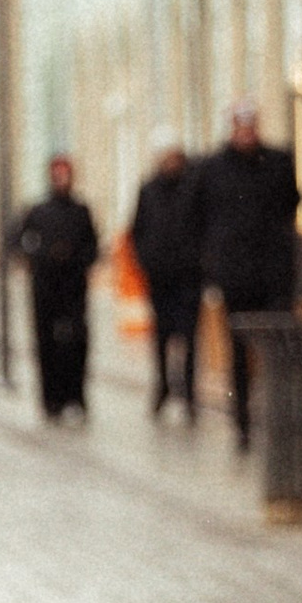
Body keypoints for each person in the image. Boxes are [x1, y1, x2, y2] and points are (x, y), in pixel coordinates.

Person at [196, 104, 300, 452]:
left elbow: (289, 204)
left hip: (273, 273)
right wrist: (213, 265)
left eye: (250, 126)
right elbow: (202, 218)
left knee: (278, 346)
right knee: (238, 351)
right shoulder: (213, 168)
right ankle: (242, 420)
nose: (246, 132)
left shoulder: (278, 162)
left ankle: (280, 416)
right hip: (236, 275)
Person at [13, 156, 100, 423]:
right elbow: (18, 242)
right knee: (46, 344)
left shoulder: (80, 211)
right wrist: (39, 256)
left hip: (73, 287)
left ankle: (75, 397)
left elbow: (92, 246)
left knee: (76, 343)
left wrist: (75, 259)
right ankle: (51, 399)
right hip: (45, 286)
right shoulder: (38, 211)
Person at [128, 136, 206, 418]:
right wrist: (147, 261)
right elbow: (137, 229)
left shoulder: (192, 188)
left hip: (188, 275)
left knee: (189, 335)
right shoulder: (149, 190)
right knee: (162, 335)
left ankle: (188, 392)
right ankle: (163, 386)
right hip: (160, 276)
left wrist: (198, 260)